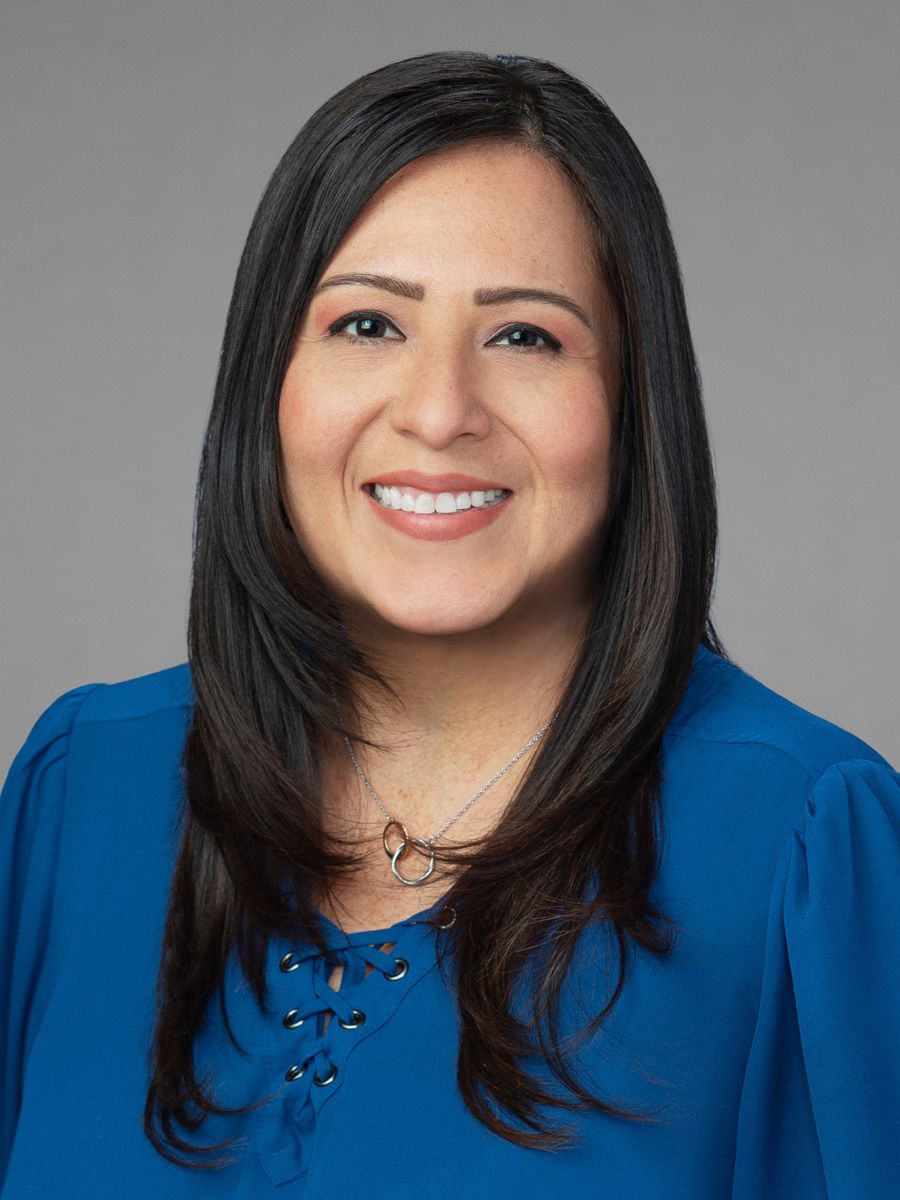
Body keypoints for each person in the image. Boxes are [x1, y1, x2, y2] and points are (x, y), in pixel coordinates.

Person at [1, 49, 897, 1200]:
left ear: (630, 406)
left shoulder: (806, 846)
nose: (438, 413)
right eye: (368, 325)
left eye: (525, 336)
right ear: (267, 383)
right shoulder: (80, 791)